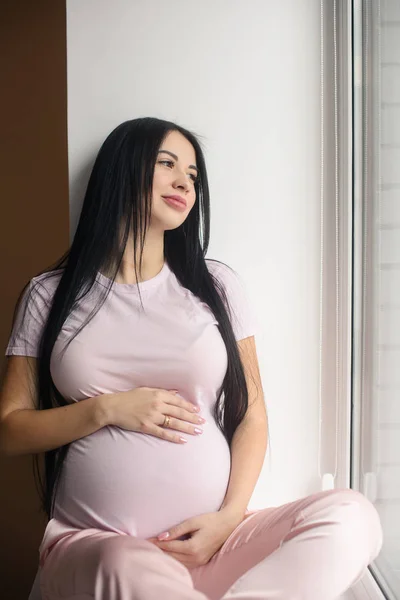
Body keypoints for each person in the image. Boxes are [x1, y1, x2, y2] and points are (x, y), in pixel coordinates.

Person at [0, 117, 382, 600]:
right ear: (122, 170)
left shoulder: (217, 286)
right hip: (102, 551)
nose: (185, 182)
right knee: (126, 563)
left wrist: (227, 521)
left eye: (194, 175)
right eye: (167, 164)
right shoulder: (49, 295)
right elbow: (10, 428)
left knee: (352, 516)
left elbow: (253, 416)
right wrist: (107, 409)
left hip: (210, 547)